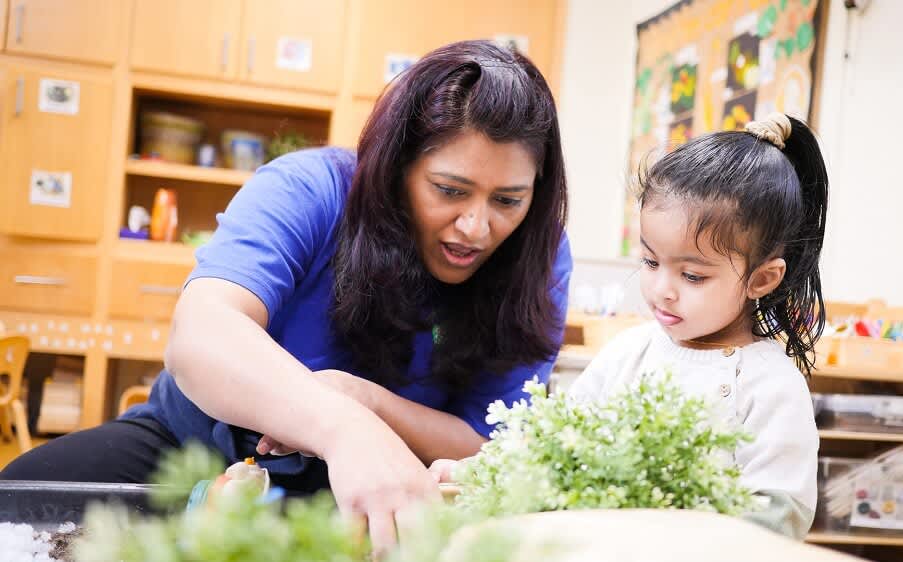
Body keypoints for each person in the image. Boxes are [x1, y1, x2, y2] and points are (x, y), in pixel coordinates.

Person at [2, 40, 571, 550]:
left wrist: (368, 403)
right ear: (398, 168)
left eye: (507, 201)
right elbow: (201, 335)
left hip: (383, 487)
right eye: (449, 190)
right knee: (19, 508)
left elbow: (487, 443)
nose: (475, 227)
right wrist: (343, 424)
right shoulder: (311, 188)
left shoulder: (539, 259)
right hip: (194, 443)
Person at [432, 113, 826, 540]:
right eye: (650, 261)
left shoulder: (772, 385)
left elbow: (781, 513)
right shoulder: (631, 351)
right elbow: (554, 445)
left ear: (762, 278)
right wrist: (481, 472)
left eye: (692, 276)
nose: (661, 289)